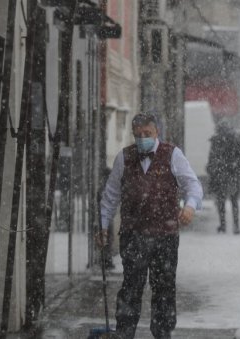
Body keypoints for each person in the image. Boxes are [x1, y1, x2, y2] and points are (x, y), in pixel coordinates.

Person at [97, 113, 203, 339]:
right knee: (131, 287)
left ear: (157, 133)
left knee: (164, 287)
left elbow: (193, 185)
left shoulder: (172, 154)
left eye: (147, 134)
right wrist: (103, 225)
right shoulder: (124, 158)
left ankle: (162, 333)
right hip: (133, 235)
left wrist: (190, 206)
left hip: (165, 235)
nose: (142, 138)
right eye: (138, 135)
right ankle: (125, 332)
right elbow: (110, 196)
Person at [206, 122, 240, 234]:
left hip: (220, 175)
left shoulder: (216, 141)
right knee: (234, 201)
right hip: (232, 174)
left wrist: (211, 169)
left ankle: (223, 225)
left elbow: (212, 158)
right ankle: (236, 225)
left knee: (221, 201)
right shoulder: (234, 140)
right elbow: (239, 156)